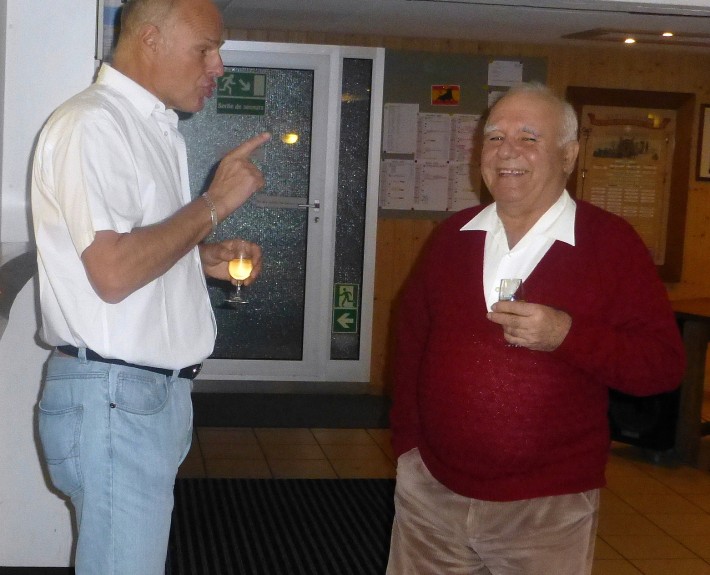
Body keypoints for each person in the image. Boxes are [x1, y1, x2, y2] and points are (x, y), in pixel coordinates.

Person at [386, 83, 685, 575]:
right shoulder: (451, 239)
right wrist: (409, 450)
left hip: (547, 508)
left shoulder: (611, 244)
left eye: (529, 138)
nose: (507, 152)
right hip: (432, 493)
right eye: (494, 137)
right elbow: (411, 345)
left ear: (568, 155)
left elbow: (661, 367)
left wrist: (567, 335)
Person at [31, 0, 269, 573]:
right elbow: (113, 272)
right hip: (116, 394)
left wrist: (200, 258)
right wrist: (214, 204)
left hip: (138, 396)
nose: (218, 66)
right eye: (205, 49)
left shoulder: (151, 129)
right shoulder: (94, 123)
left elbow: (132, 251)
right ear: (151, 40)